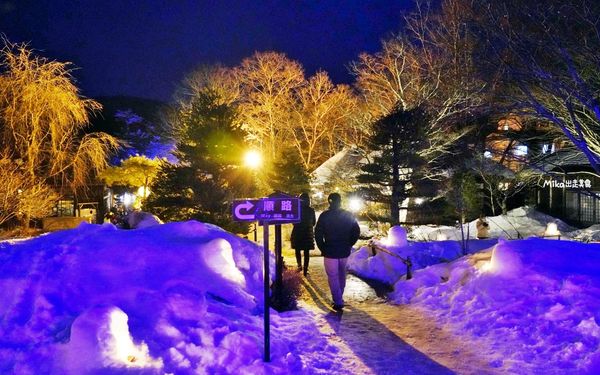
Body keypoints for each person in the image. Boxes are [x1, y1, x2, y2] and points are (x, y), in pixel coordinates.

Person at [315, 193, 360, 311]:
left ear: (329, 201)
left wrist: (322, 248)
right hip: (344, 250)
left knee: (333, 276)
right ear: (340, 201)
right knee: (341, 274)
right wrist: (350, 243)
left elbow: (318, 234)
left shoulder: (324, 216)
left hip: (330, 251)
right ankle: (340, 297)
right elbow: (356, 231)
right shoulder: (348, 215)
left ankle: (338, 300)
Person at [291, 192, 316, 276]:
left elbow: (293, 222)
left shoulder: (296, 209)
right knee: (306, 252)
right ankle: (305, 269)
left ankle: (299, 266)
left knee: (297, 250)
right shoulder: (311, 210)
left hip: (297, 232)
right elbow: (314, 222)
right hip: (307, 233)